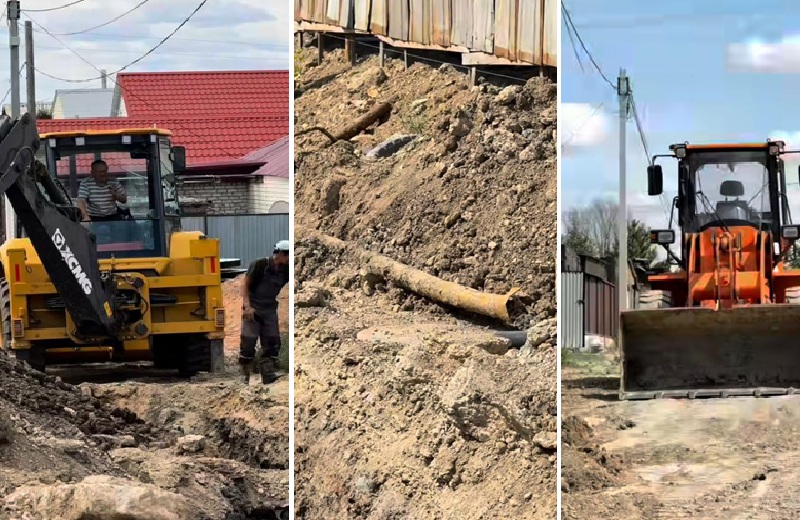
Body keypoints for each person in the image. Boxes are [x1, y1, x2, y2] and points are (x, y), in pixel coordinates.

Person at [240, 240, 290, 384]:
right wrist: (247, 306)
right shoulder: (259, 265)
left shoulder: (286, 270)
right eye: (287, 256)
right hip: (253, 307)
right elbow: (245, 284)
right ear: (280, 254)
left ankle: (268, 375)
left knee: (272, 342)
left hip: (269, 308)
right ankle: (245, 376)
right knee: (248, 342)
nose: (289, 259)